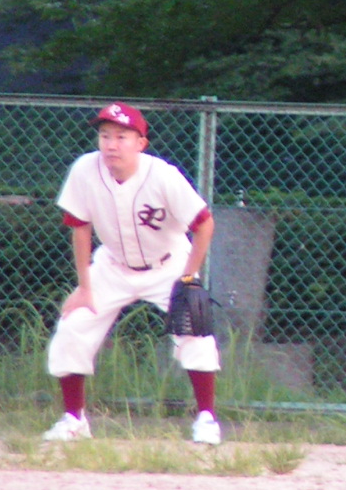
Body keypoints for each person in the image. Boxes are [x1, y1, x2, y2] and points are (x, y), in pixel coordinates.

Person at [40, 102, 224, 446]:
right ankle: (74, 420)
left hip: (168, 265)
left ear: (141, 143)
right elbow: (80, 227)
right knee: (73, 327)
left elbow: (204, 224)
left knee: (195, 333)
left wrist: (189, 278)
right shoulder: (85, 170)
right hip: (112, 265)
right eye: (105, 135)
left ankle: (207, 419)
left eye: (121, 137)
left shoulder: (163, 176)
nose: (111, 144)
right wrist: (84, 287)